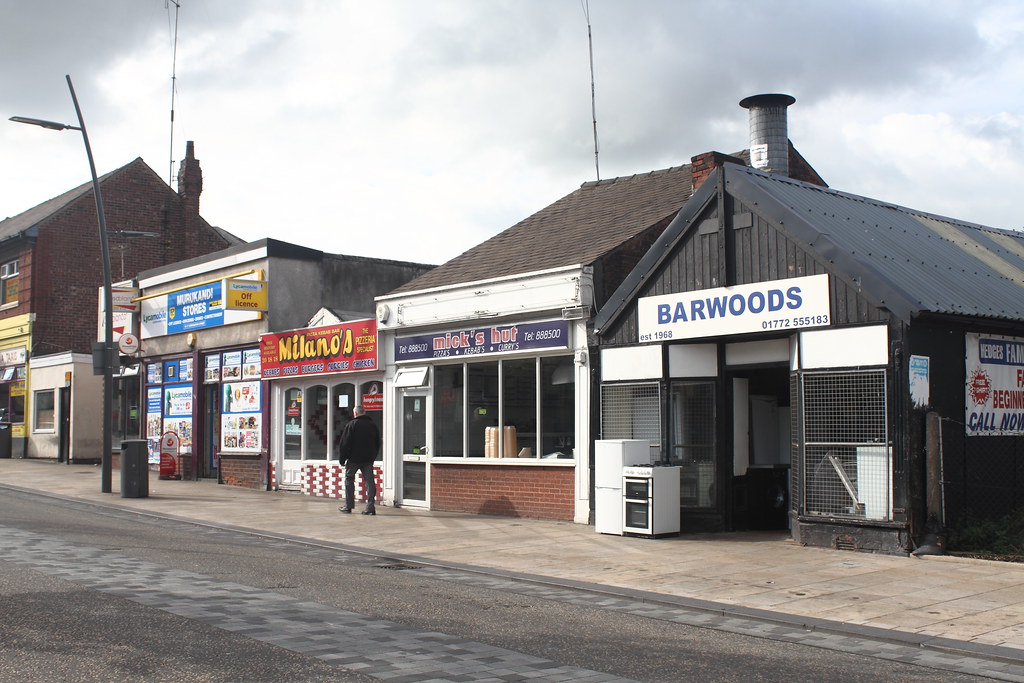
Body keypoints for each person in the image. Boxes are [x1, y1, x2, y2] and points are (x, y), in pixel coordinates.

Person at [338, 405, 381, 515]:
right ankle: (370, 507)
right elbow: (378, 443)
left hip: (353, 459)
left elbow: (344, 443)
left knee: (349, 479)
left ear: (355, 413)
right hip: (368, 459)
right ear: (364, 412)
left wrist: (342, 459)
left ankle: (348, 506)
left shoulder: (351, 425)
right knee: (370, 482)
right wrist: (373, 456)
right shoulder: (373, 425)